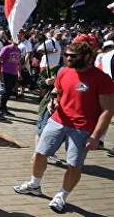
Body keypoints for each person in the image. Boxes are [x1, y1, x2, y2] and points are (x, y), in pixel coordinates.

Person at [13, 42, 114, 212]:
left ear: (88, 57)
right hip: (57, 121)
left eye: (73, 56)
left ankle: (61, 196)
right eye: (66, 55)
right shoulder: (63, 71)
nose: (67, 58)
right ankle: (34, 185)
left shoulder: (101, 79)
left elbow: (108, 110)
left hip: (82, 128)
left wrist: (96, 136)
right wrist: (54, 100)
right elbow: (58, 91)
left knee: (74, 165)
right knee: (39, 154)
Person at [0, 40, 22, 119]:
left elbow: (18, 63)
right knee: (6, 91)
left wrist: (19, 73)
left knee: (9, 92)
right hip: (5, 72)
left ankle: (4, 108)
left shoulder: (18, 50)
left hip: (14, 73)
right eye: (17, 38)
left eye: (20, 38)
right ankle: (0, 111)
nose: (19, 40)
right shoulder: (6, 48)